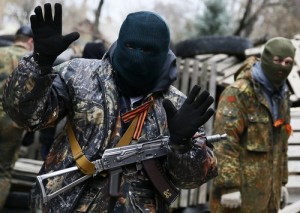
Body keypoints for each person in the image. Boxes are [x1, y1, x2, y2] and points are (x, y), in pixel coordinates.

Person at [2, 3, 218, 213]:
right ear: (120, 42)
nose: (137, 56)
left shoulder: (177, 106)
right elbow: (26, 116)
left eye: (148, 50)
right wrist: (39, 63)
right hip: (63, 203)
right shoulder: (78, 76)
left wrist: (182, 145)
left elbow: (192, 179)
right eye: (131, 46)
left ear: (163, 54)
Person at [209, 37, 295, 213]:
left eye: (287, 62)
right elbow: (225, 141)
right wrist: (229, 186)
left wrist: (282, 183)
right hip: (237, 199)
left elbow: (282, 144)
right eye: (277, 61)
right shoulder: (239, 93)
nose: (281, 67)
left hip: (268, 196)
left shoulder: (282, 97)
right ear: (266, 59)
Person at [0, 25, 34, 209]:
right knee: (3, 171)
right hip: (12, 122)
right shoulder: (31, 62)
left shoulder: (1, 53)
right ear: (30, 42)